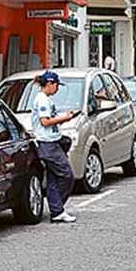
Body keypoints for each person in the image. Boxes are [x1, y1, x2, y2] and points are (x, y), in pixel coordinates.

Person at [31, 71, 79, 223]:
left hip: (52, 142)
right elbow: (45, 121)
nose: (57, 89)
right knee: (67, 175)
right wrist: (63, 118)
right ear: (50, 84)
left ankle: (57, 210)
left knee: (54, 178)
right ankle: (57, 208)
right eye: (57, 85)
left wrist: (62, 119)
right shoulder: (42, 100)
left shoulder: (45, 99)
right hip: (48, 144)